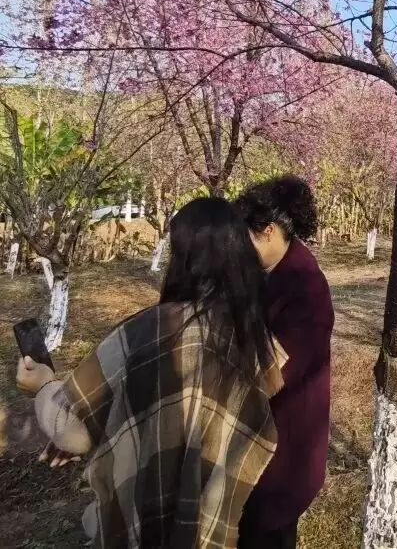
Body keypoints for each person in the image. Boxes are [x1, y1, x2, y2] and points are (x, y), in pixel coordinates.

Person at [16, 197, 286, 549]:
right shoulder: (253, 338)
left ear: (182, 257)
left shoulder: (147, 331)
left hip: (138, 529)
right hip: (212, 532)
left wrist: (44, 385)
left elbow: (72, 434)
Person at [235, 176, 334, 549]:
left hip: (280, 457)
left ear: (269, 231)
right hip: (262, 448)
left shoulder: (305, 288)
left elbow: (271, 373)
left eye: (245, 236)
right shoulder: (273, 274)